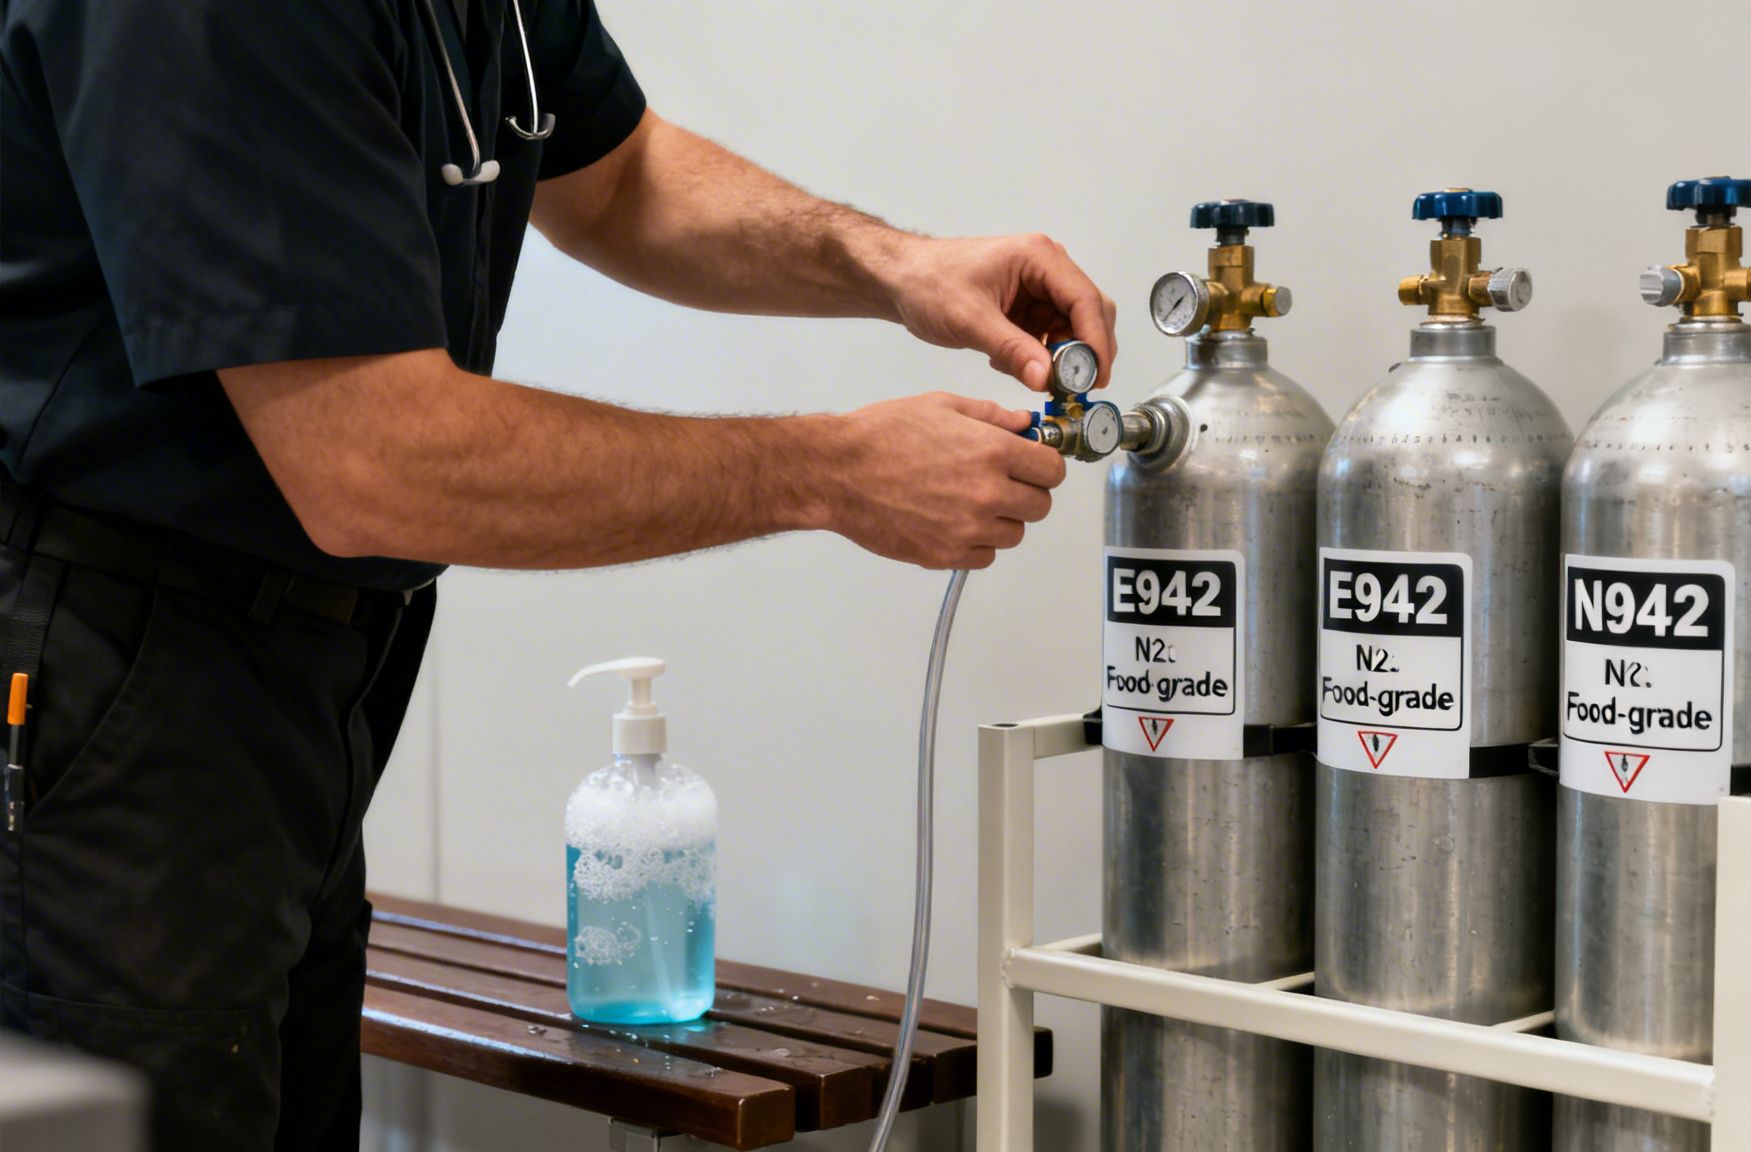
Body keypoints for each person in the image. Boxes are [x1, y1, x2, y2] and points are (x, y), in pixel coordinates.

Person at [0, 0, 1117, 1147]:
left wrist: (893, 265)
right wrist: (829, 472)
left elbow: (617, 177)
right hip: (115, 671)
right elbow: (372, 463)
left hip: (309, 680)